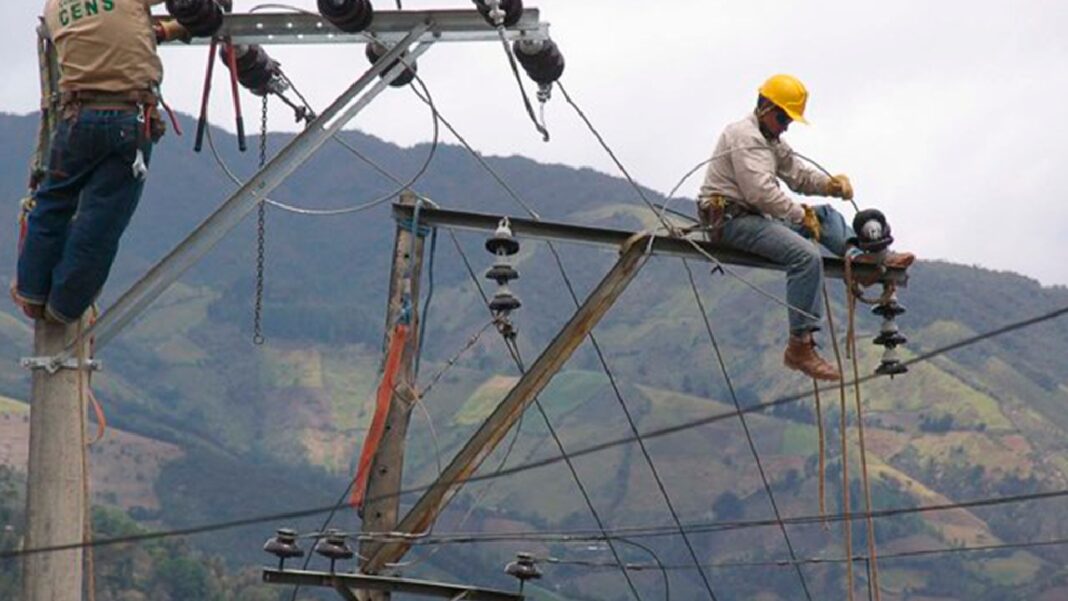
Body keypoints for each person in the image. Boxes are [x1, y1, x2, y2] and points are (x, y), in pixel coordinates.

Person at [697, 74, 914, 381]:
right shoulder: (744, 137)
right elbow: (759, 192)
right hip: (731, 222)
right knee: (804, 257)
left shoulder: (771, 140)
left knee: (825, 215)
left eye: (789, 120)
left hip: (756, 217)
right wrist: (799, 215)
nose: (786, 125)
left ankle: (862, 260)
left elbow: (797, 174)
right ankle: (800, 345)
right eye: (783, 117)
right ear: (765, 108)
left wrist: (830, 186)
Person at [11, 0, 186, 323]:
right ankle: (64, 306)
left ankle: (31, 291)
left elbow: (105, 31)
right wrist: (188, 22)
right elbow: (191, 8)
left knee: (52, 201)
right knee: (102, 218)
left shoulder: (55, 8)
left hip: (76, 121)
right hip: (126, 118)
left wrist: (158, 30)